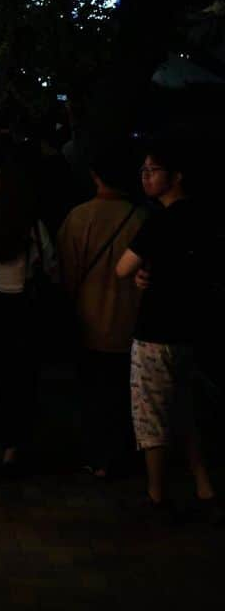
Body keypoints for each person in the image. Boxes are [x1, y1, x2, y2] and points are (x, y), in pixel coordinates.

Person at [116, 144, 218, 515]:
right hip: (194, 329)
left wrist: (144, 271)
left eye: (153, 170)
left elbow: (123, 268)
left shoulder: (160, 221)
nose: (146, 176)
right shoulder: (206, 218)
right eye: (143, 170)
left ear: (176, 176)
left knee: (151, 414)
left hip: (157, 328)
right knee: (184, 411)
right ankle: (205, 487)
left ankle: (157, 495)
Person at [56, 144, 146, 479]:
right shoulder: (139, 219)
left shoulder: (79, 218)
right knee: (122, 394)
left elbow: (64, 273)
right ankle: (119, 453)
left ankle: (95, 455)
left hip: (87, 321)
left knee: (91, 393)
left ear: (94, 176)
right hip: (129, 323)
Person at [0, 160, 54, 475]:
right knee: (25, 372)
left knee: (1, 370)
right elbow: (48, 264)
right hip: (26, 305)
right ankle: (21, 437)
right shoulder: (34, 226)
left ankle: (6, 437)